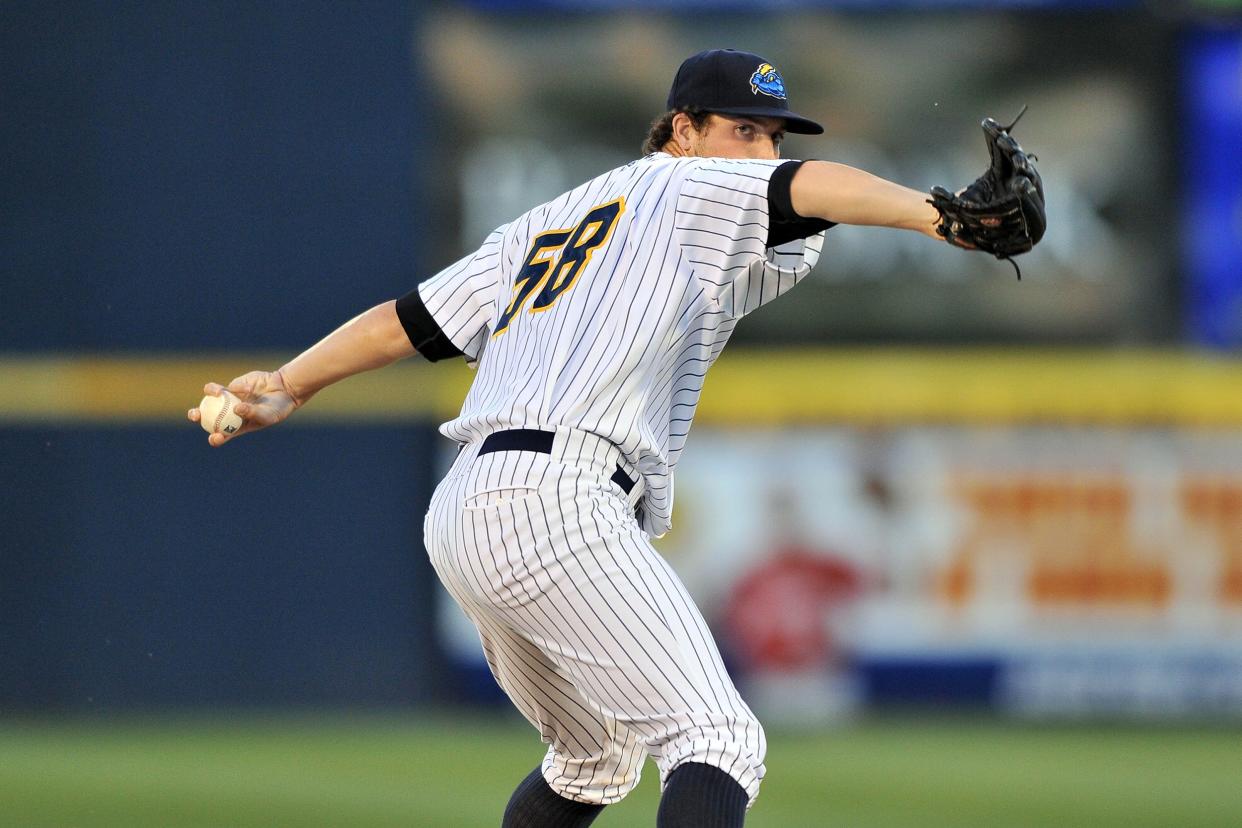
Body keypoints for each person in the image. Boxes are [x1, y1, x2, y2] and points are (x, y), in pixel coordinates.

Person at [189, 48, 1042, 827]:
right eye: (743, 129)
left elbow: (403, 322)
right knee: (718, 740)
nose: (760, 153)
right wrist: (945, 219)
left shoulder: (544, 223)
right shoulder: (689, 184)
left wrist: (290, 385)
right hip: (557, 500)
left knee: (592, 760)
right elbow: (810, 188)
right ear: (683, 129)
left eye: (771, 135)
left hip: (465, 508)